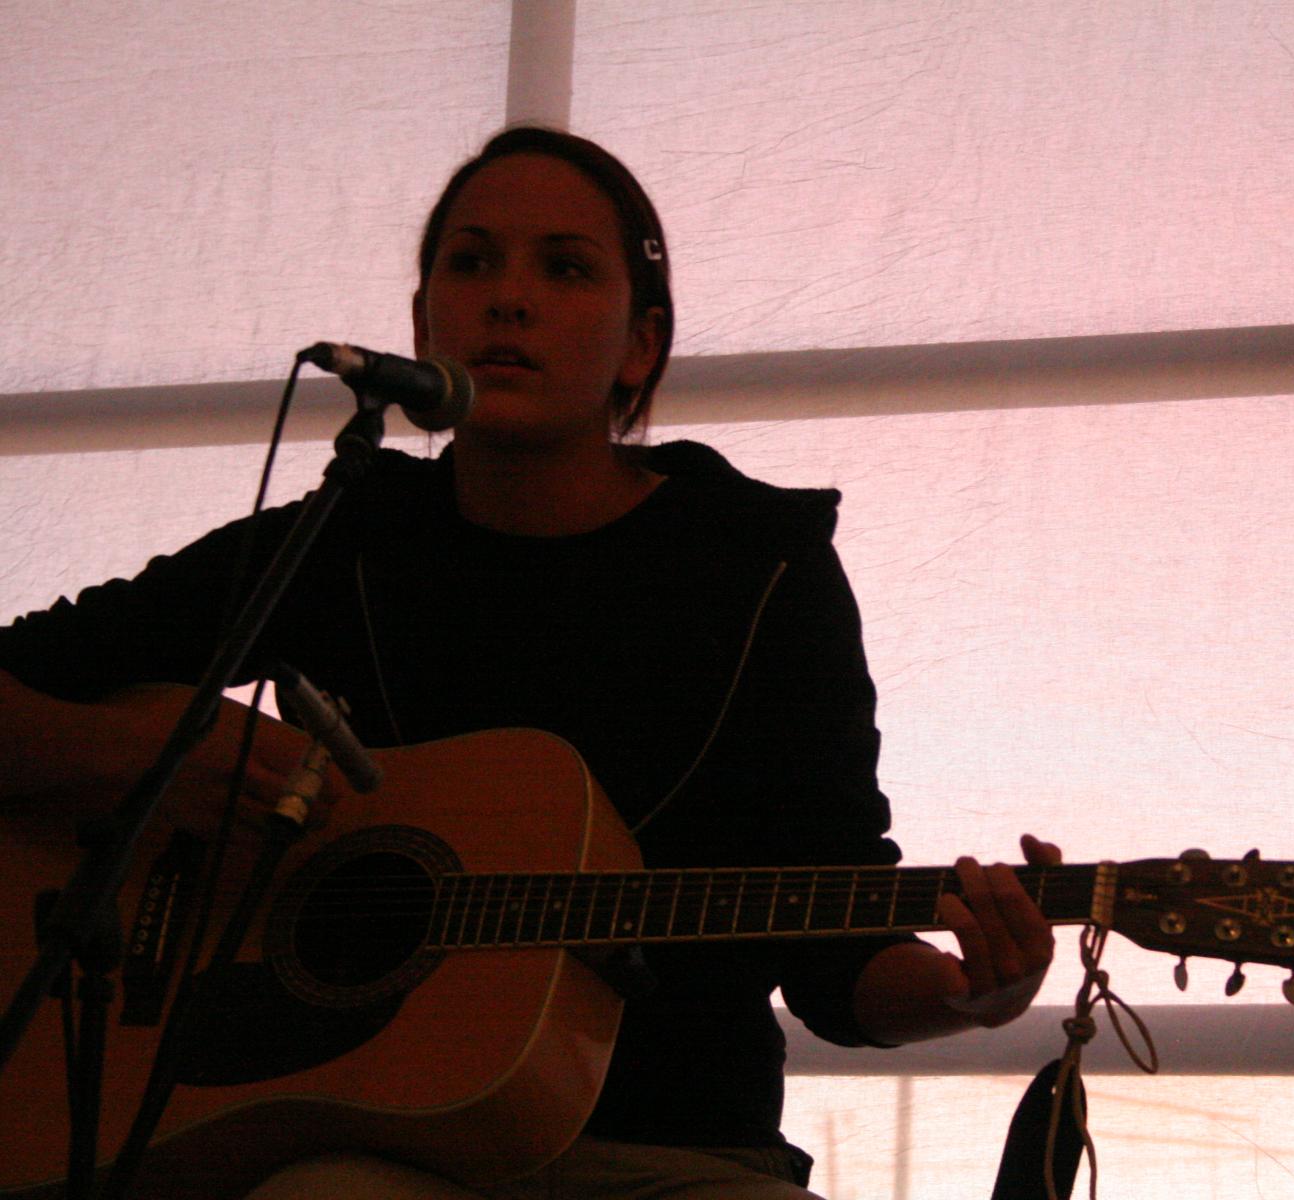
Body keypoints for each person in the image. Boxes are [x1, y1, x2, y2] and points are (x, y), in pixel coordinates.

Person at [0, 126, 1057, 1198]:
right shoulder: (349, 540)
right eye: (471, 262)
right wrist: (130, 755)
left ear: (641, 347)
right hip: (365, 1148)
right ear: (422, 328)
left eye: (564, 267)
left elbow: (840, 954)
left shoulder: (756, 569)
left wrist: (972, 994)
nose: (509, 298)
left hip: (679, 1156)